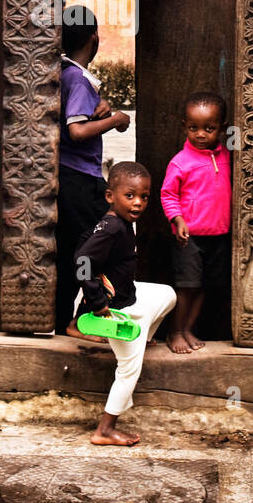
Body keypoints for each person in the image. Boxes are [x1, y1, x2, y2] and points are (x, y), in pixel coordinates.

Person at [68, 161, 176, 446]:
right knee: (129, 369)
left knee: (167, 294)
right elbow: (81, 261)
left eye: (144, 196)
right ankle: (105, 429)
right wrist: (97, 301)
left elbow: (83, 243)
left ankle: (143, 337)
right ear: (110, 196)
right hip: (117, 309)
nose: (138, 203)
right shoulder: (113, 227)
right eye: (130, 196)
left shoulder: (114, 222)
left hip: (129, 294)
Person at [55, 6, 130, 332]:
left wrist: (99, 115)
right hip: (80, 181)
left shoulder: (62, 73)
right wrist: (116, 120)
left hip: (69, 179)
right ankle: (86, 316)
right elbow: (76, 131)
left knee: (72, 249)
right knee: (107, 244)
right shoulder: (78, 79)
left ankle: (63, 322)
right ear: (94, 38)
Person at [160, 92, 232, 354]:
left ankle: (188, 328)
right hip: (189, 237)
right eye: (193, 128)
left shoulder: (226, 157)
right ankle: (175, 331)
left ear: (222, 129)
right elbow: (168, 194)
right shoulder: (181, 162)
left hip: (219, 236)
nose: (200, 134)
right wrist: (177, 220)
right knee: (187, 287)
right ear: (184, 126)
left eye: (209, 128)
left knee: (205, 287)